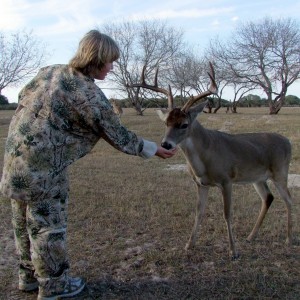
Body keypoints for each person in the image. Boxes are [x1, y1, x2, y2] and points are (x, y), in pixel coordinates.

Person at [0, 29, 176, 300]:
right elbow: (119, 136)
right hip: (45, 168)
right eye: (110, 61)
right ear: (96, 59)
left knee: (22, 221)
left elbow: (25, 96)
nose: (112, 67)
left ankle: (29, 277)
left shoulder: (50, 72)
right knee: (47, 226)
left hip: (14, 162)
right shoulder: (89, 94)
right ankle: (54, 287)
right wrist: (154, 150)